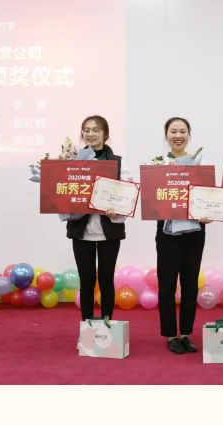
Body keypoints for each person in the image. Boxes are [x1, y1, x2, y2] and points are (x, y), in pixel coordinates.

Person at [154, 117, 210, 354]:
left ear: (189, 135)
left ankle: (186, 333)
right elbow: (152, 199)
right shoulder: (157, 165)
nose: (178, 136)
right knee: (167, 286)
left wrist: (208, 211)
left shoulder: (199, 165)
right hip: (167, 234)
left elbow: (207, 196)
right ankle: (170, 335)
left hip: (194, 233)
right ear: (166, 135)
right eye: (173, 131)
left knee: (190, 286)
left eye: (183, 131)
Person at [69, 115, 129, 323]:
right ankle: (86, 327)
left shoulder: (117, 162)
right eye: (86, 130)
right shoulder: (74, 162)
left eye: (96, 130)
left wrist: (117, 210)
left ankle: (106, 325)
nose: (90, 134)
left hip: (108, 231)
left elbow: (127, 195)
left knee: (106, 280)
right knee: (86, 282)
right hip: (82, 231)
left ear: (105, 134)